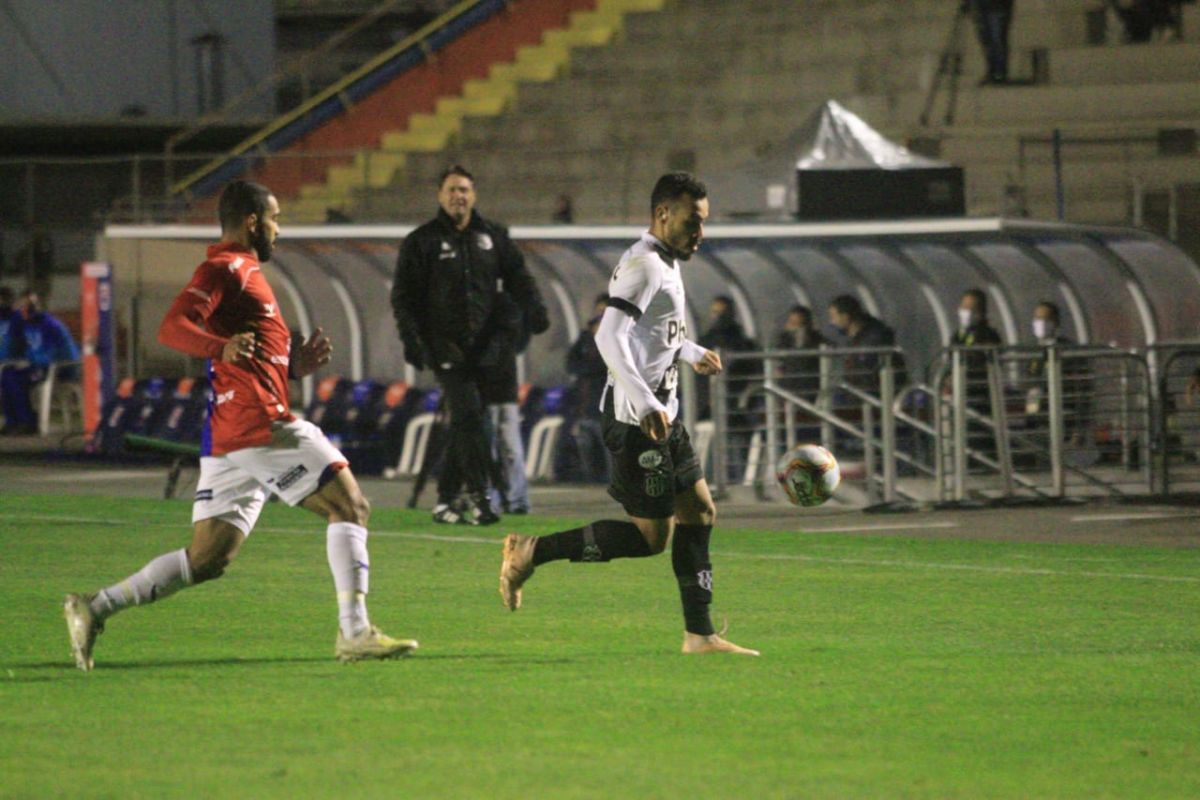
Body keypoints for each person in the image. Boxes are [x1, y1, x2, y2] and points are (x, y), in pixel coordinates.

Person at [63, 180, 417, 671]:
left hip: (231, 434)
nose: (279, 229)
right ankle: (354, 632)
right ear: (252, 221)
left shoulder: (244, 271)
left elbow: (246, 349)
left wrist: (291, 366)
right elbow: (173, 326)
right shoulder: (226, 267)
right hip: (258, 424)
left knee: (208, 560)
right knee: (351, 506)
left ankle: (95, 606)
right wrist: (218, 347)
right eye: (275, 219)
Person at [498, 173, 758, 656]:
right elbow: (608, 336)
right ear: (663, 215)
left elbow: (655, 335)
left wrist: (692, 351)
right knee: (649, 538)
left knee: (700, 510)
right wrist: (645, 404)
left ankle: (699, 636)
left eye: (704, 222)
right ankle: (530, 553)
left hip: (661, 415)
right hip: (639, 423)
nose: (700, 232)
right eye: (692, 222)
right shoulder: (645, 266)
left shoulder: (664, 260)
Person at [391, 165, 549, 526]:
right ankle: (479, 498)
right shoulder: (422, 241)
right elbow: (404, 298)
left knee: (467, 424)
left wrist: (535, 310)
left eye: (464, 189)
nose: (457, 196)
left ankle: (446, 501)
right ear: (440, 195)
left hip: (486, 352)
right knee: (470, 419)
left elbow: (519, 277)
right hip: (445, 350)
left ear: (473, 195)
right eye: (451, 190)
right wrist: (412, 341)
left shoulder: (493, 236)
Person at [0, 289, 80, 435]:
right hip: (37, 366)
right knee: (7, 375)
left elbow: (60, 354)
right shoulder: (20, 322)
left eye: (27, 307)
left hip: (57, 368)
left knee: (17, 380)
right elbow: (11, 347)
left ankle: (27, 422)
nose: (22, 311)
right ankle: (12, 421)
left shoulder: (50, 325)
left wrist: (34, 361)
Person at [559, 294, 611, 482]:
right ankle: (589, 476)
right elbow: (571, 363)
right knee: (585, 442)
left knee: (607, 442)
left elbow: (608, 365)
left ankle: (612, 478)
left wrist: (587, 370)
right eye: (599, 311)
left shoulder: (618, 336)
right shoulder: (585, 338)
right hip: (584, 401)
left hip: (605, 401)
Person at [826, 295, 901, 392]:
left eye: (833, 317)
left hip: (872, 396)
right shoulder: (856, 340)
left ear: (846, 316)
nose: (832, 322)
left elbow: (866, 373)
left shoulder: (873, 340)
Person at [773, 304, 827, 400]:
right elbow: (776, 362)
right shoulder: (782, 341)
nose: (796, 328)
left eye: (800, 324)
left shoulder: (819, 342)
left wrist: (803, 343)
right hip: (786, 391)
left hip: (809, 392)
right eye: (792, 323)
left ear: (808, 325)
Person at [965, 0, 1015, 84]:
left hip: (997, 6)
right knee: (986, 39)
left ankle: (999, 71)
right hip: (980, 5)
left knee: (997, 37)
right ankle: (992, 70)